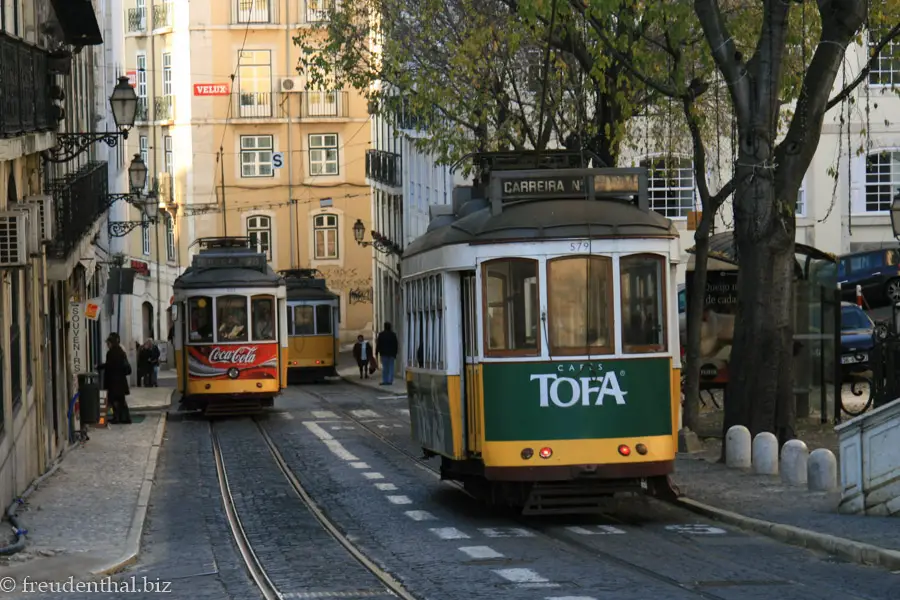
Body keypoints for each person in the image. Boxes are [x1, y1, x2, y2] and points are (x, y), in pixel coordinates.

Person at [98, 333, 132, 424]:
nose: (107, 345)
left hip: (113, 381)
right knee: (121, 400)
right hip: (121, 381)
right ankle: (125, 418)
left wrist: (99, 366)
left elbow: (109, 365)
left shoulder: (111, 353)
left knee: (114, 400)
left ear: (111, 343)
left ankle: (116, 417)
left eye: (108, 343)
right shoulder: (121, 351)